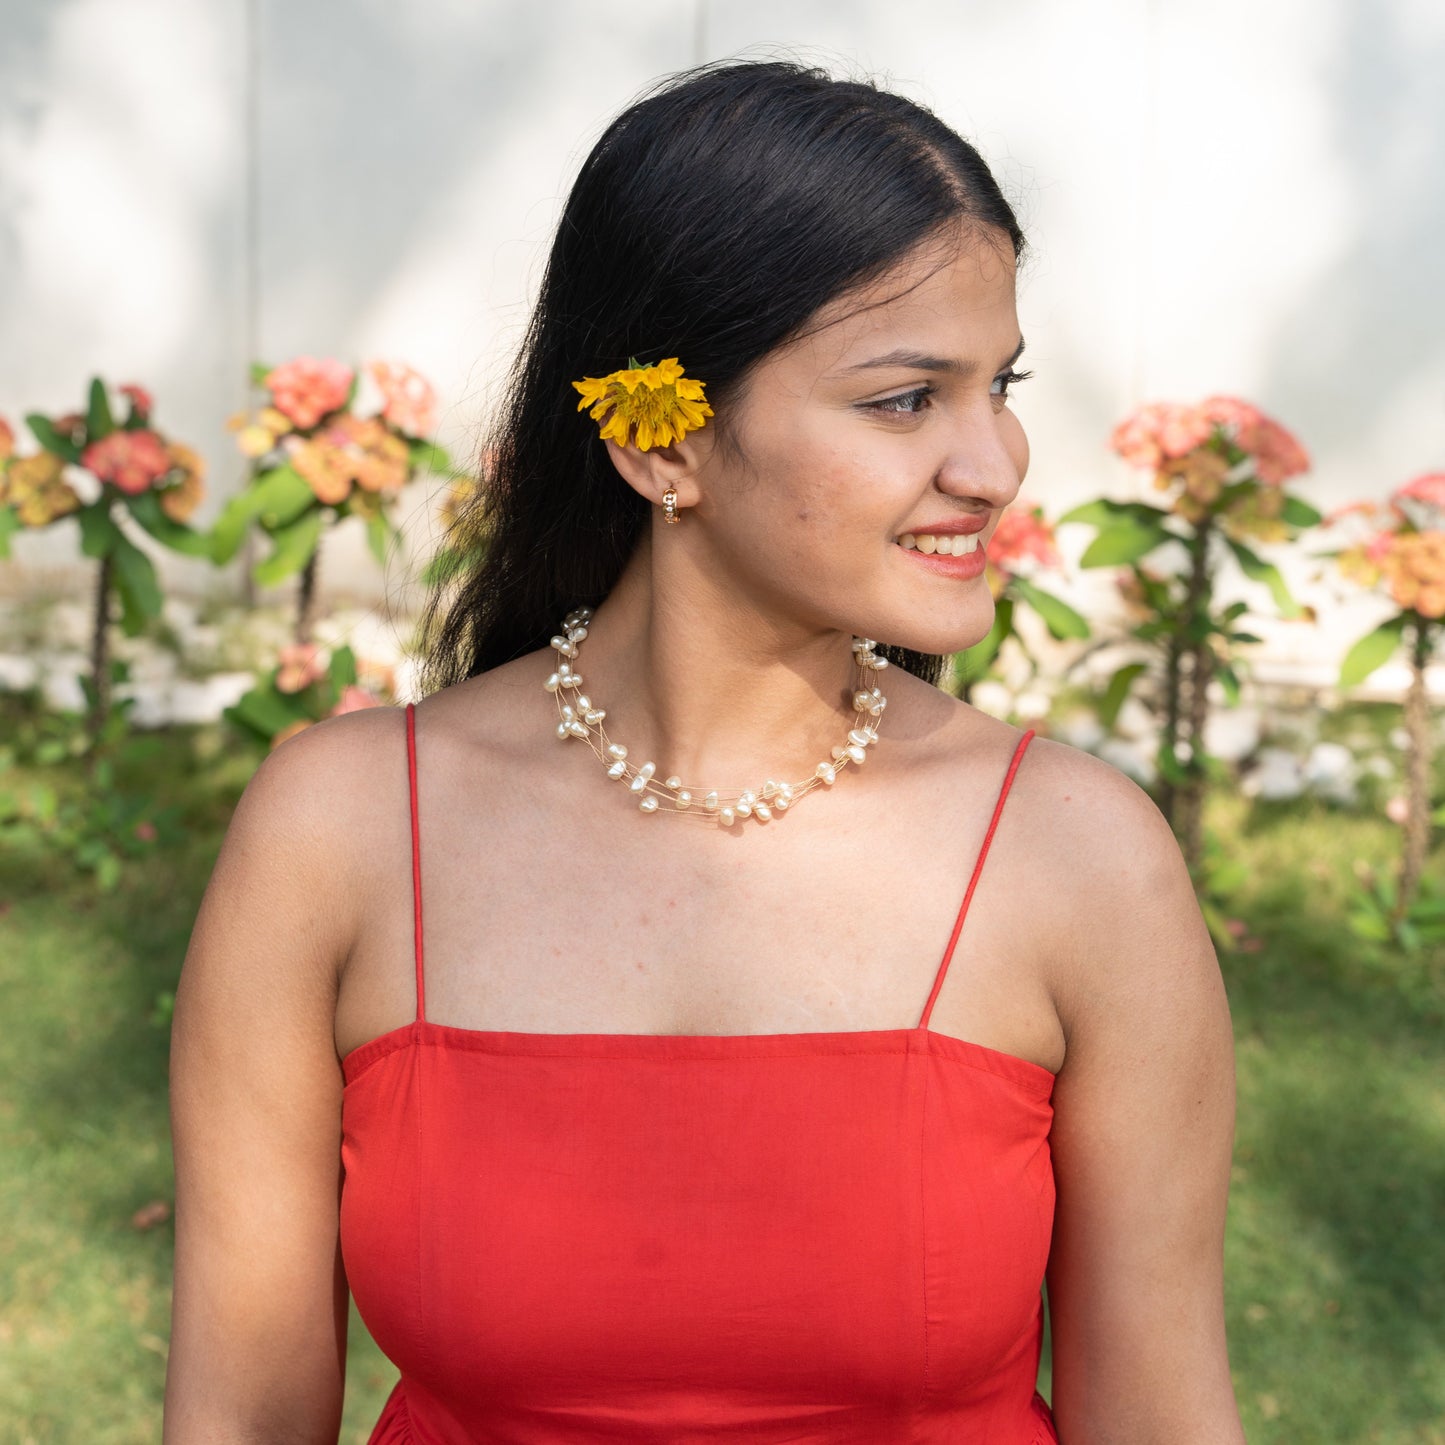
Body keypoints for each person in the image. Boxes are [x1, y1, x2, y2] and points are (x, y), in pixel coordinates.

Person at [164, 58, 1245, 1445]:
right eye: (907, 399)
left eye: (997, 386)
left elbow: (1160, 1417)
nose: (993, 462)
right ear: (659, 443)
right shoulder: (341, 833)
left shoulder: (1079, 858)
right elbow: (238, 1416)